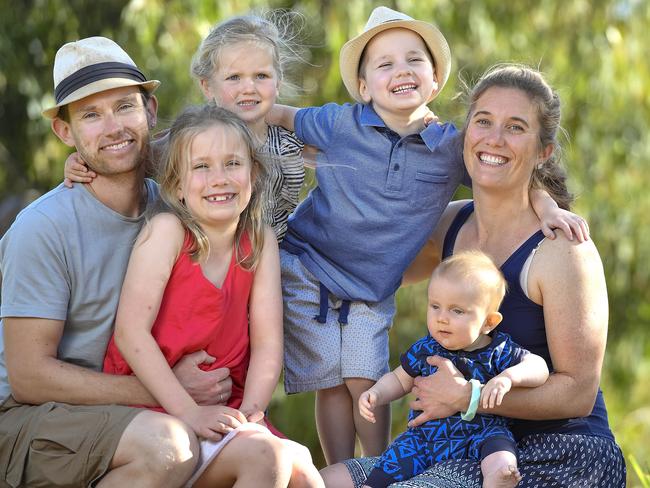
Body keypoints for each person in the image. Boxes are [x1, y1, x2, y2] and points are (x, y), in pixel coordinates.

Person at [266, 7, 586, 465]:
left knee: (365, 378)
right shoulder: (340, 122)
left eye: (414, 60)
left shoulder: (450, 147)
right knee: (330, 382)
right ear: (363, 87)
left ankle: (376, 466)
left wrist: (549, 206)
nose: (401, 71)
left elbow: (506, 167)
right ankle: (341, 467)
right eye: (385, 64)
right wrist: (238, 105)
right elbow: (280, 116)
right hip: (307, 265)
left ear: (434, 80)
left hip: (369, 291)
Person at [322, 64, 626, 487]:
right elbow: (361, 267)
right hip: (456, 444)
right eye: (483, 121)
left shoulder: (563, 249)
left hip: (561, 453)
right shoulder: (448, 226)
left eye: (515, 127)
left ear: (543, 151)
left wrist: (469, 398)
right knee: (316, 480)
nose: (494, 139)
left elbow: (577, 392)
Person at [0, 37, 227, 487]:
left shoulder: (177, 209)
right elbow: (28, 377)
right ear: (65, 133)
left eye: (125, 106)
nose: (113, 127)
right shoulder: (43, 228)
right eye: (90, 115)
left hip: (128, 410)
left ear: (151, 111)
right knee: (169, 446)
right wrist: (170, 389)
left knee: (273, 460)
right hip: (28, 418)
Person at [102, 103, 323, 487]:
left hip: (227, 406)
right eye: (201, 167)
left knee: (303, 468)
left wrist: (253, 414)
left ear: (254, 174)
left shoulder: (259, 241)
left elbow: (269, 343)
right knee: (267, 457)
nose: (218, 178)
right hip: (156, 405)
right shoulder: (168, 232)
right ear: (176, 186)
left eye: (232, 164)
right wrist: (189, 411)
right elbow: (130, 333)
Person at [65, 13, 307, 243]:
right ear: (207, 87)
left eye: (261, 76)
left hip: (275, 259)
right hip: (207, 261)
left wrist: (289, 116)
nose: (249, 88)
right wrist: (81, 162)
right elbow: (130, 159)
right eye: (234, 77)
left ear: (278, 82)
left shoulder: (289, 141)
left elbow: (338, 140)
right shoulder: (190, 141)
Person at [358, 251, 549, 488]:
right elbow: (399, 379)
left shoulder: (499, 350)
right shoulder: (427, 348)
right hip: (425, 437)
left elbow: (539, 367)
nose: (442, 318)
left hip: (481, 433)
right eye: (435, 306)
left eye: (456, 311)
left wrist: (509, 377)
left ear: (489, 322)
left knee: (501, 451)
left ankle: (498, 478)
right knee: (393, 460)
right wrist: (376, 393)